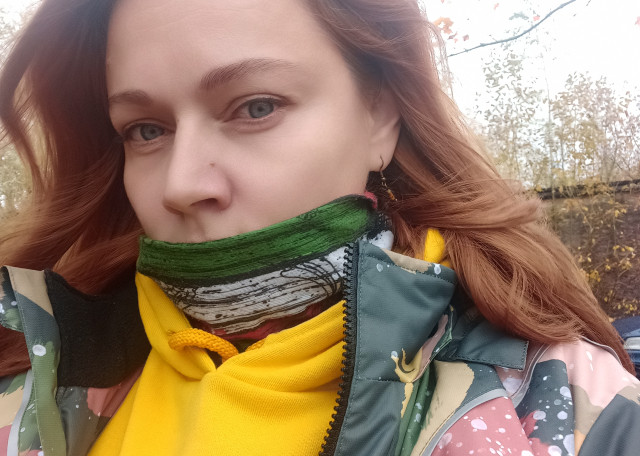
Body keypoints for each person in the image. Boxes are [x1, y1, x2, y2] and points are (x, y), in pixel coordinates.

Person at [0, 0, 638, 454]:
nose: (182, 184)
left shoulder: (571, 409)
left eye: (256, 107)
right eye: (146, 130)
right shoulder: (40, 378)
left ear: (381, 115)